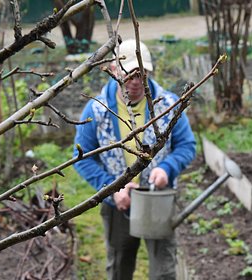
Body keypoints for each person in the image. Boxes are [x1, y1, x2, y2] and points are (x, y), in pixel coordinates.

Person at [73, 39, 196, 280]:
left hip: (157, 199)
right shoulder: (96, 110)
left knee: (164, 270)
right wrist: (111, 189)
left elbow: (186, 145)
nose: (137, 82)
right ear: (115, 71)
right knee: (119, 266)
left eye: (143, 74)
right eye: (130, 75)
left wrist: (167, 169)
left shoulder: (169, 105)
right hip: (119, 203)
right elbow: (82, 158)